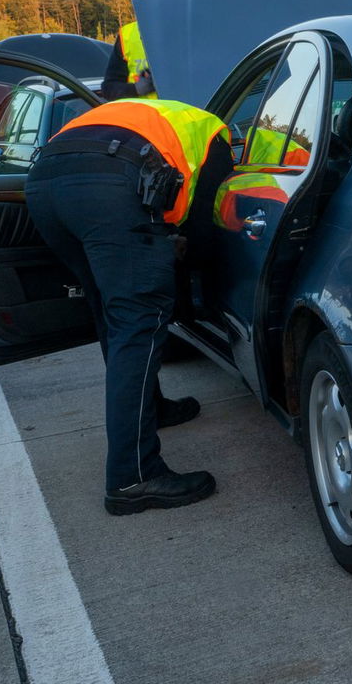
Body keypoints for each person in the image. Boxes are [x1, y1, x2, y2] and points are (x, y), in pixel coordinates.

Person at [24, 97, 234, 512]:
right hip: (108, 186)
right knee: (138, 321)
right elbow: (208, 230)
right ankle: (133, 476)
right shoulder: (215, 137)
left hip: (45, 182)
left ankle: (152, 409)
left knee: (110, 310)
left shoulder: (156, 115)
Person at [101, 0, 164, 101]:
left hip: (178, 116)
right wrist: (136, 89)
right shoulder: (127, 35)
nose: (151, 9)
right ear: (136, 7)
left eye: (156, 2)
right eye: (145, 4)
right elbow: (108, 89)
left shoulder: (181, 31)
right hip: (142, 117)